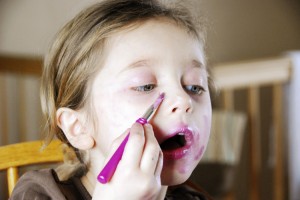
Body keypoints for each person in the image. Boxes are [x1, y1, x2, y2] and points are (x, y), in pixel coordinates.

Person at [10, 0, 214, 199]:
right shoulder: (37, 194)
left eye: (195, 87)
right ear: (78, 126)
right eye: (145, 86)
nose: (183, 100)